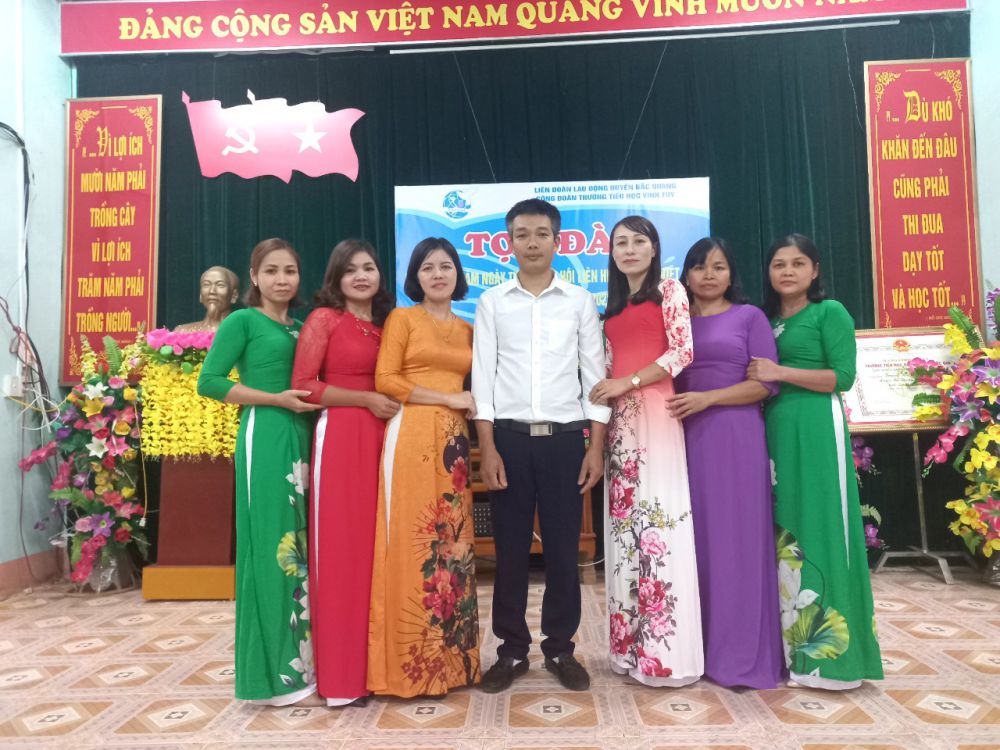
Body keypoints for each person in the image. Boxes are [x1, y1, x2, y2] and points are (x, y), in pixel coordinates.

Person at [473, 198, 610, 693]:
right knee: (509, 552)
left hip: (565, 441)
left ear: (557, 240)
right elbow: (483, 378)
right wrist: (488, 448)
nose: (531, 243)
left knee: (562, 551)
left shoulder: (578, 301)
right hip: (508, 441)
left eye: (541, 234)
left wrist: (594, 448)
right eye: (522, 235)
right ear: (509, 242)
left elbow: (595, 377)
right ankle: (511, 651)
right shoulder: (493, 302)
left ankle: (559, 649)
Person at [748, 233, 883, 690]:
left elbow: (841, 377)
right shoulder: (766, 320)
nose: (787, 271)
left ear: (815, 270)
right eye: (778, 264)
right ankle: (791, 655)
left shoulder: (830, 312)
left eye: (798, 263)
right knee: (785, 534)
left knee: (822, 527)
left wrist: (779, 372)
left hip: (817, 428)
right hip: (774, 430)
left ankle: (835, 663)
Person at [197, 238, 321, 704]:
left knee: (302, 549)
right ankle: (268, 677)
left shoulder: (302, 328)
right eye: (271, 271)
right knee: (272, 546)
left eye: (290, 270)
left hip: (303, 436)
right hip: (265, 434)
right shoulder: (242, 321)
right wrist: (275, 399)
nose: (281, 279)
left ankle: (305, 665)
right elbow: (209, 382)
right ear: (253, 277)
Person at [588, 215, 702, 687]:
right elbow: (604, 373)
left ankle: (664, 655)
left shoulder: (669, 291)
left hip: (656, 415)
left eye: (638, 241)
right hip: (620, 428)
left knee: (659, 524)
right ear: (612, 253)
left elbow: (682, 352)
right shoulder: (610, 311)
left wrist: (628, 383)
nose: (629, 249)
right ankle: (628, 649)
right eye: (620, 242)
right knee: (624, 533)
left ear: (654, 249)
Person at [669, 237, 784, 689]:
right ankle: (693, 650)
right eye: (700, 267)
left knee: (737, 543)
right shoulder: (673, 322)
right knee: (694, 545)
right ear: (687, 275)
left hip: (735, 438)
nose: (709, 275)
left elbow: (765, 385)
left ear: (731, 273)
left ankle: (738, 655)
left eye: (718, 267)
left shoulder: (749, 317)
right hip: (682, 439)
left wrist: (708, 398)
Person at [367, 237, 480, 698]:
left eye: (445, 266)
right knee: (413, 544)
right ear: (415, 276)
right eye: (427, 267)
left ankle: (454, 665)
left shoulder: (469, 328)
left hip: (455, 443)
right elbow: (386, 380)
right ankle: (409, 667)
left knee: (454, 546)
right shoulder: (402, 318)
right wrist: (448, 397)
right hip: (411, 432)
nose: (437, 274)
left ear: (458, 274)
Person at [291, 239, 397, 707]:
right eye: (350, 269)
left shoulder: (388, 325)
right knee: (343, 552)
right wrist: (365, 399)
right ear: (335, 278)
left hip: (386, 437)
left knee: (380, 552)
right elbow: (303, 386)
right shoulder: (325, 320)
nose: (361, 276)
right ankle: (341, 680)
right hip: (342, 437)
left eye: (368, 268)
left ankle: (381, 671)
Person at [175, 266, 240, 331]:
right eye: (206, 285)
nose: (212, 291)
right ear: (200, 294)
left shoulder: (240, 332)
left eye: (220, 285)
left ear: (234, 295)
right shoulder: (182, 331)